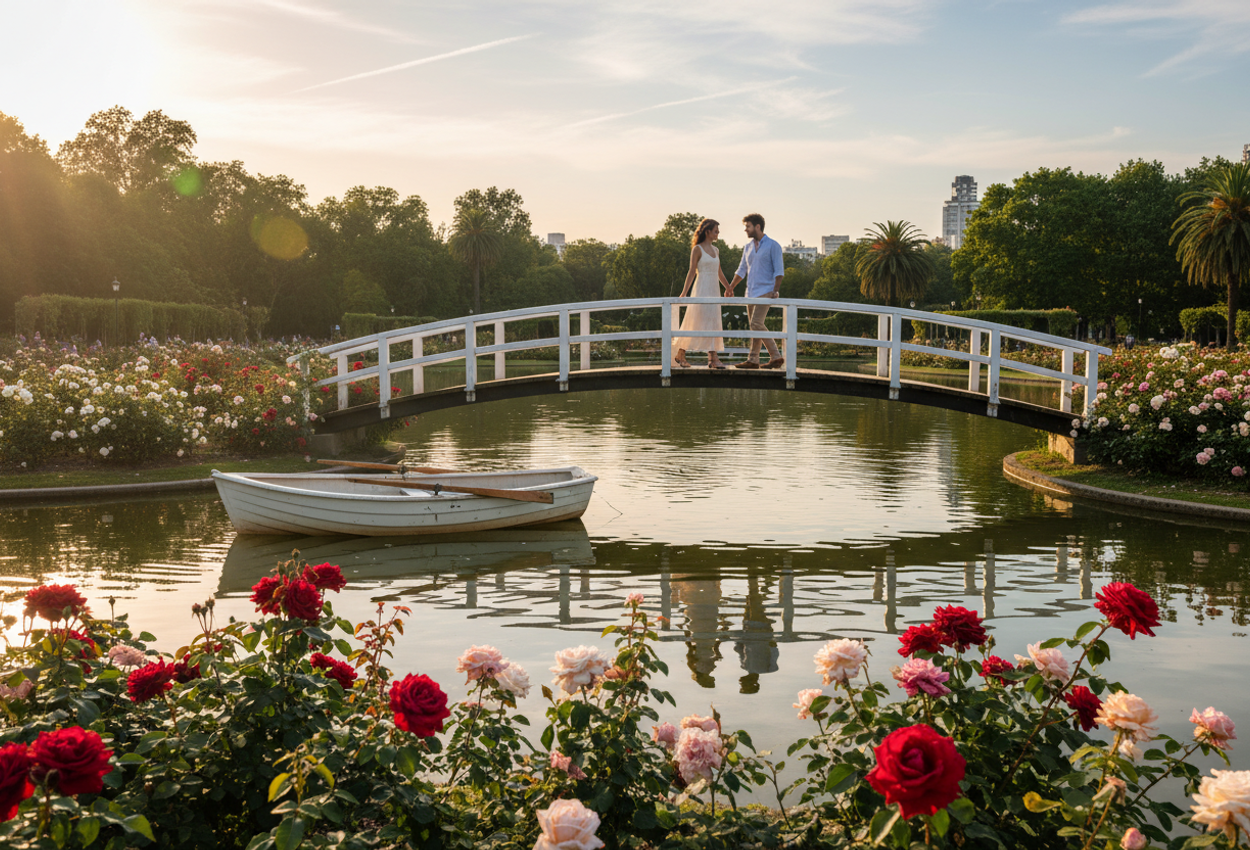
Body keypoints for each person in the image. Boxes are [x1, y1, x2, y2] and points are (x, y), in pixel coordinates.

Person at [725, 213, 784, 369]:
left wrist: (775, 291)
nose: (746, 230)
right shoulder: (748, 247)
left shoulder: (773, 245)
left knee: (756, 323)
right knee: (755, 326)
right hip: (750, 292)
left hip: (766, 290)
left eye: (748, 226)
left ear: (757, 226)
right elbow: (741, 270)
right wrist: (730, 287)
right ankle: (753, 360)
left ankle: (776, 356)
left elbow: (779, 271)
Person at [672, 218, 731, 368]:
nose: (718, 234)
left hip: (714, 290)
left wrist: (728, 287)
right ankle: (681, 353)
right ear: (708, 232)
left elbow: (719, 272)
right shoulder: (697, 249)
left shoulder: (716, 250)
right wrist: (684, 293)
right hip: (701, 288)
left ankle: (713, 358)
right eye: (716, 231)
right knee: (694, 319)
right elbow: (691, 272)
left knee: (713, 321)